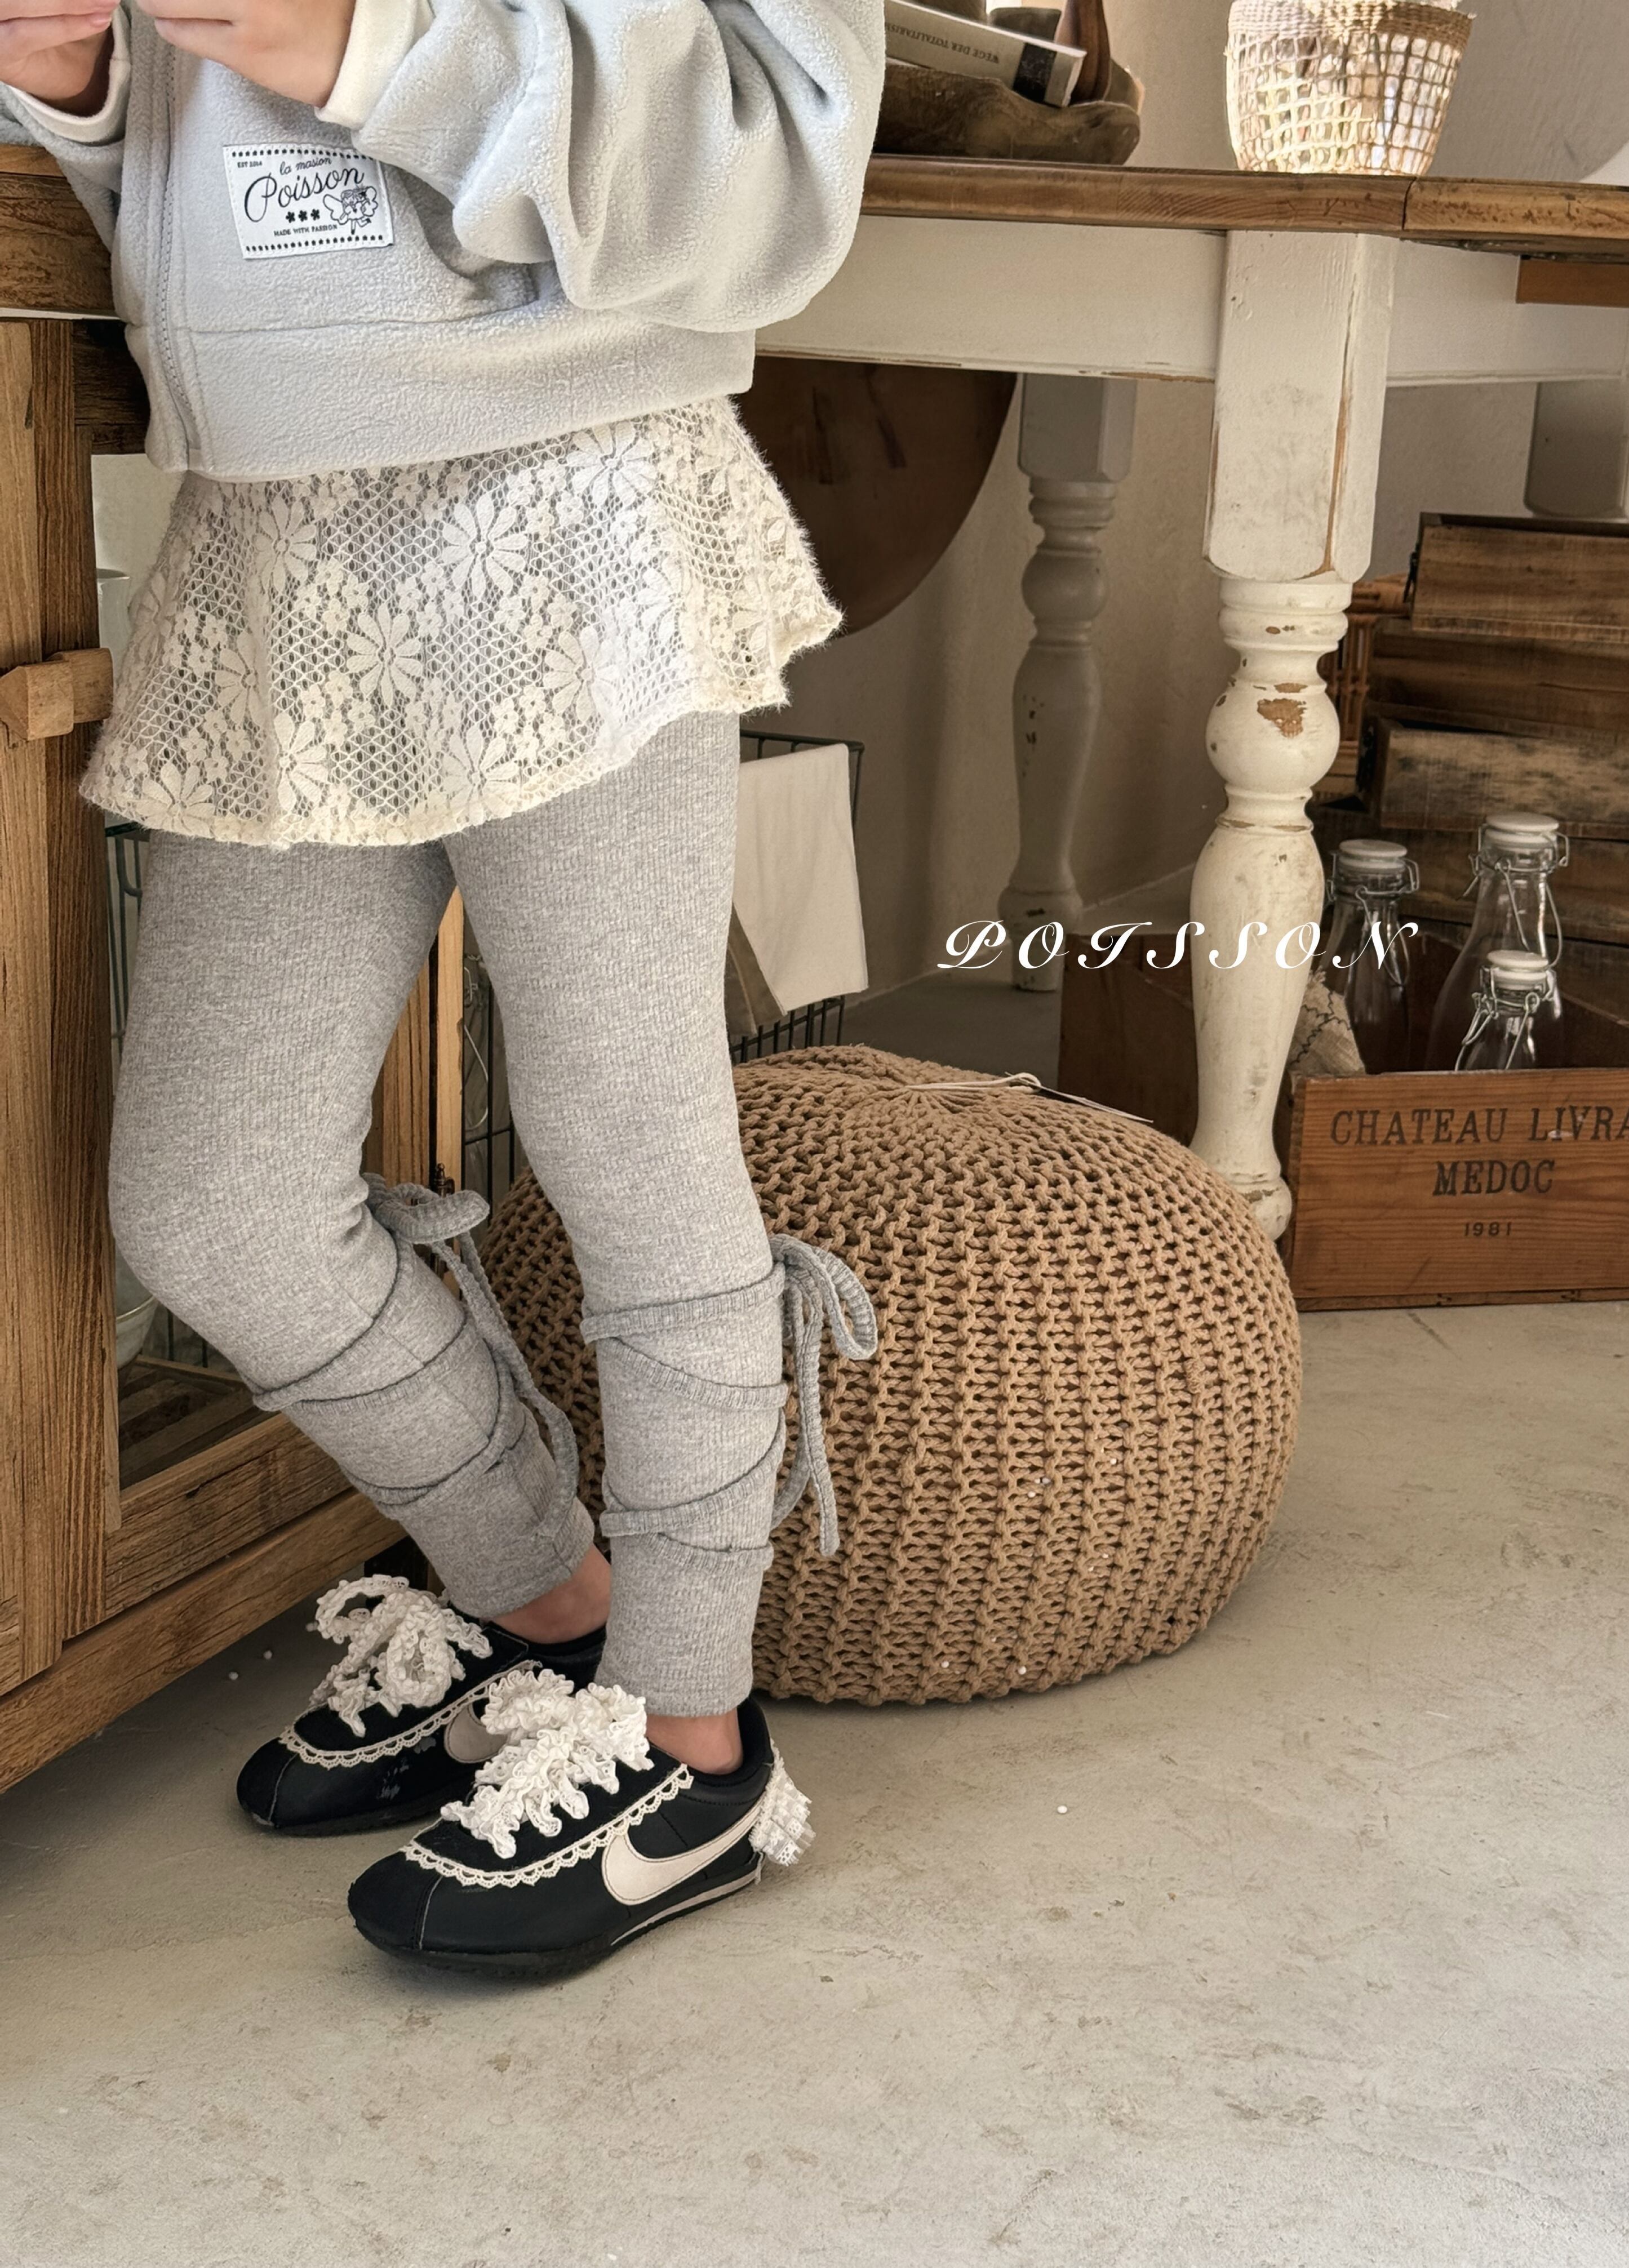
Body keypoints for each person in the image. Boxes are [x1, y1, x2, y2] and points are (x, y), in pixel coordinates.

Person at [0, 0, 880, 1981]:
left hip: (570, 491)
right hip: (270, 531)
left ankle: (693, 1736)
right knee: (214, 1206)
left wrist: (364, 41)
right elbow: (225, 189)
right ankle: (544, 1602)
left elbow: (776, 170)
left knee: (625, 1131)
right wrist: (87, 93)